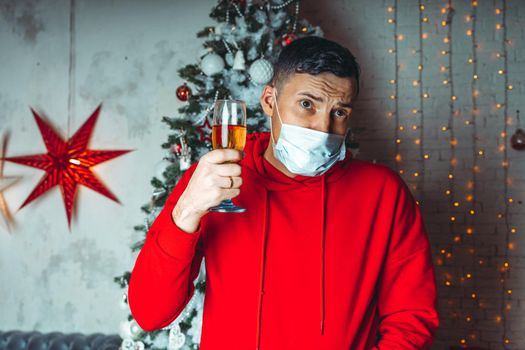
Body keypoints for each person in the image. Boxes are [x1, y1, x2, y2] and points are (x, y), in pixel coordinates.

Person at [128, 36, 440, 349]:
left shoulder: (383, 193)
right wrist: (187, 212)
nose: (322, 127)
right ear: (269, 101)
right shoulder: (215, 179)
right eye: (307, 104)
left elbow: (411, 318)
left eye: (340, 112)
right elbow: (150, 313)